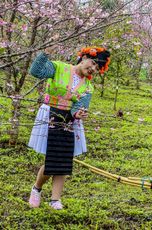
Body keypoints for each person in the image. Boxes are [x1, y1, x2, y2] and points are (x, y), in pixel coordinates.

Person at [27, 46, 110, 210]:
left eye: (97, 68)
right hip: (50, 113)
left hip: (69, 120)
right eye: (93, 63)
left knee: (64, 160)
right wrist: (45, 53)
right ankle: (36, 189)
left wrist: (78, 113)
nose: (93, 69)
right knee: (52, 158)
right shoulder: (59, 67)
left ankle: (55, 200)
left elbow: (79, 106)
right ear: (84, 56)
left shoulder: (88, 87)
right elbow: (36, 71)